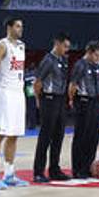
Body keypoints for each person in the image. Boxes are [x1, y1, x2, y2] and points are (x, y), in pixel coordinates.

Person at [0, 17, 28, 189]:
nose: (21, 29)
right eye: (18, 26)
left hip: (18, 92)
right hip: (4, 93)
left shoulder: (21, 46)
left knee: (14, 134)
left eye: (22, 26)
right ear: (9, 27)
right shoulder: (1, 45)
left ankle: (9, 173)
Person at [32, 32, 71, 182]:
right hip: (48, 99)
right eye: (65, 46)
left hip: (60, 100)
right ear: (57, 43)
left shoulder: (63, 60)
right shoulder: (48, 60)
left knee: (58, 136)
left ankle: (55, 169)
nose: (66, 49)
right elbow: (37, 82)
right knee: (45, 137)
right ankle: (38, 172)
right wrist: (38, 100)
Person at [68, 42, 99, 179]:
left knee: (93, 137)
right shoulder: (80, 65)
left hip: (97, 102)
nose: (98, 58)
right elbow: (73, 85)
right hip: (83, 102)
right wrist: (72, 100)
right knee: (81, 136)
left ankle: (88, 166)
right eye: (96, 55)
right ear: (89, 52)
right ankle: (77, 169)